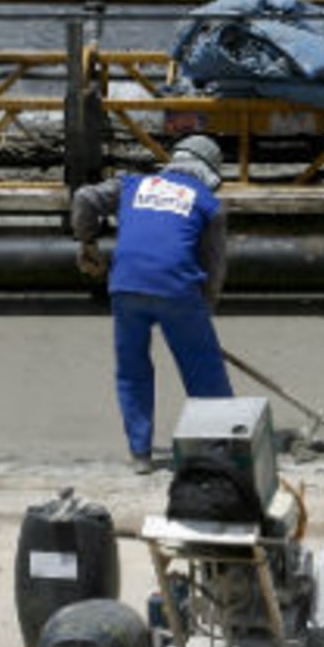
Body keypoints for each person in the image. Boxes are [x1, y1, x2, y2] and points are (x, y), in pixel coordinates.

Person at [70, 134, 234, 473]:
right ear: (208, 173)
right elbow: (214, 264)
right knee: (204, 368)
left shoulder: (133, 184)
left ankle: (140, 455)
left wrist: (87, 241)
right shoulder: (208, 202)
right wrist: (206, 309)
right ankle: (221, 445)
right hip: (176, 288)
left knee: (132, 372)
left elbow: (85, 197)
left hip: (125, 285)